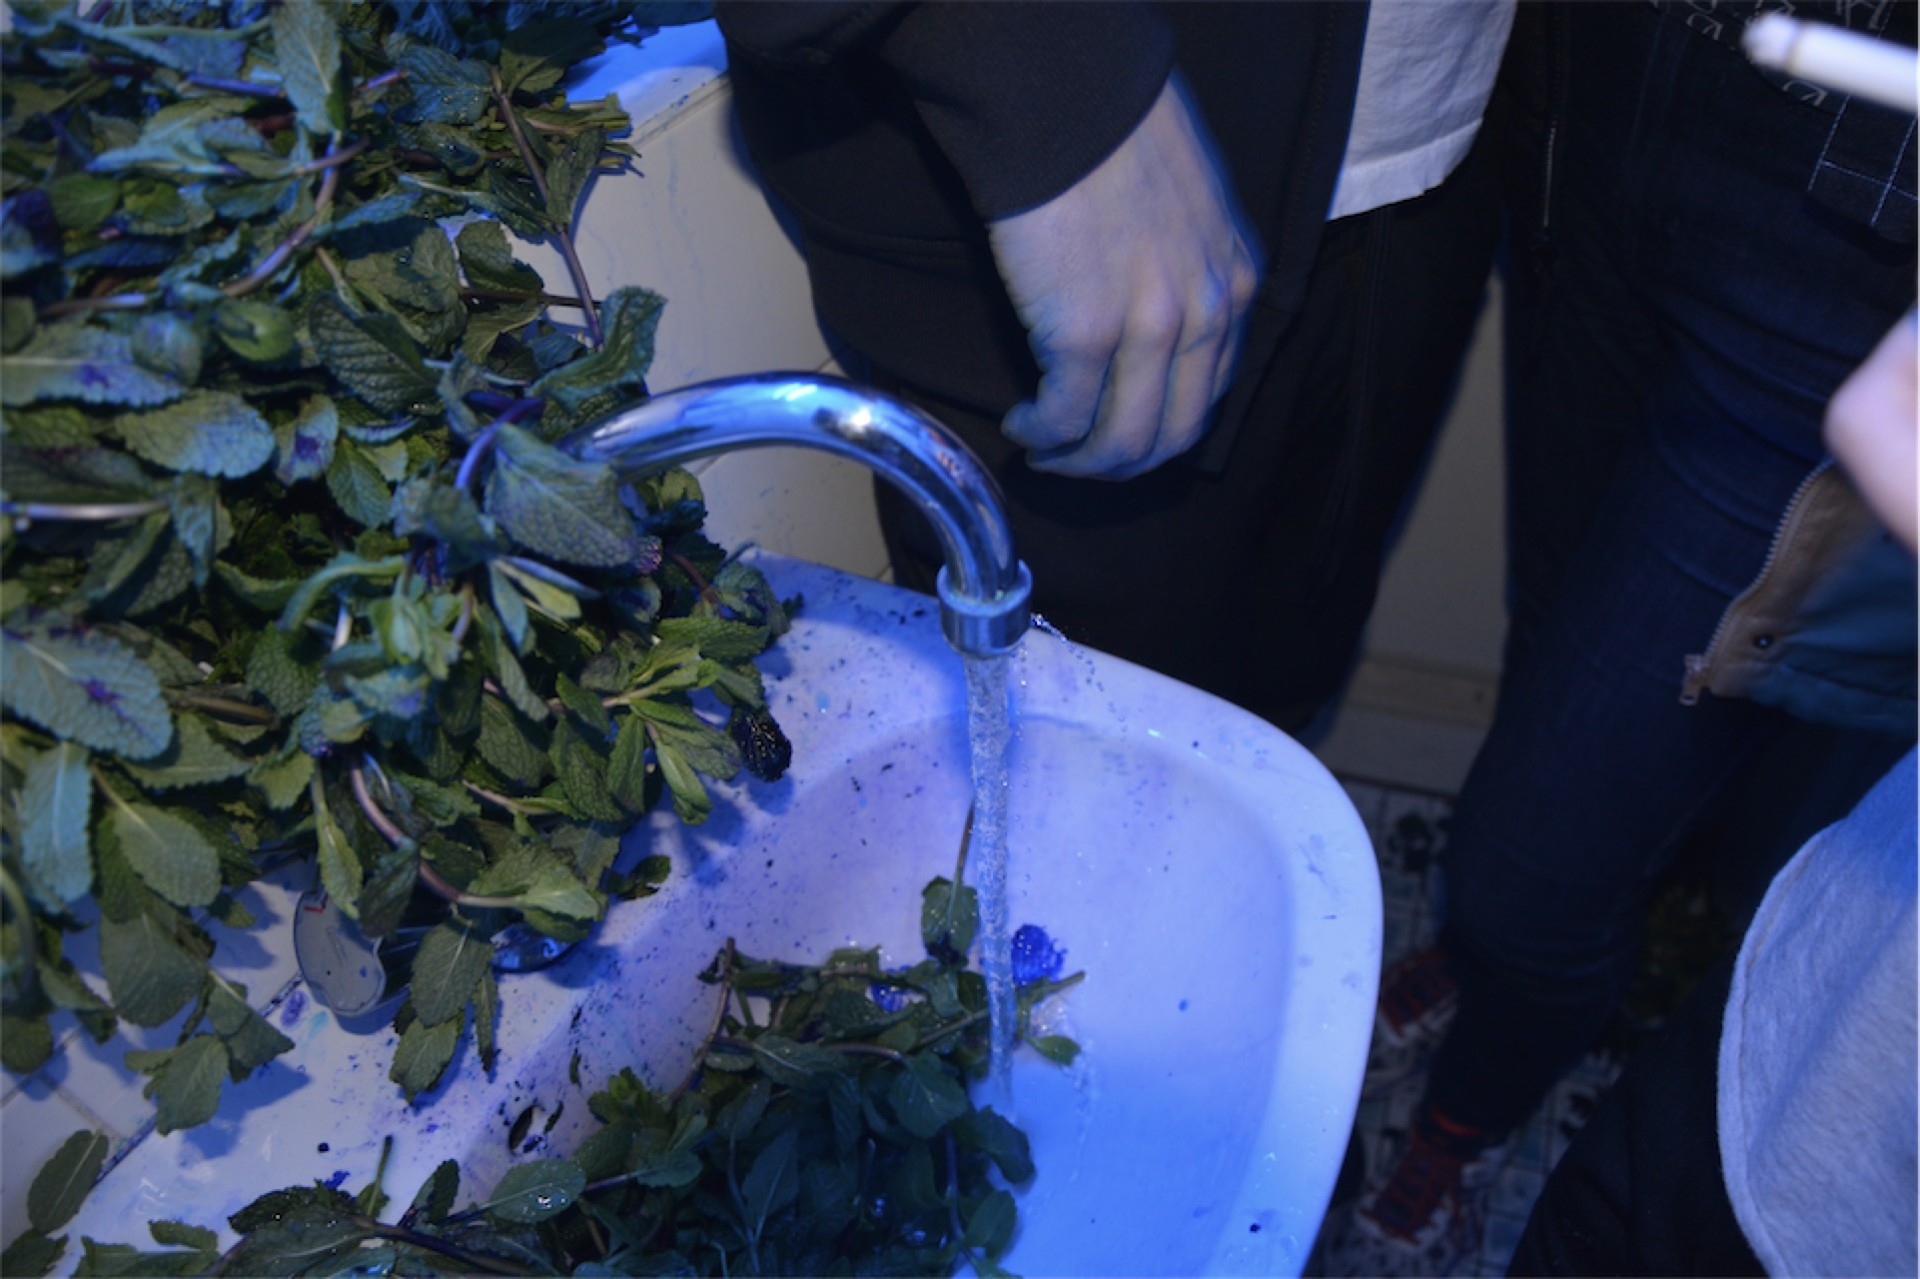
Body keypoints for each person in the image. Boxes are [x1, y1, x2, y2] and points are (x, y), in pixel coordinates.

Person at [1324, 3, 1917, 1273]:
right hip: (1607, 79)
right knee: (1554, 637)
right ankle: (1478, 964)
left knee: (1532, 868)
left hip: (1859, 210)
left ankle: (1472, 1110)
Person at [713, 0, 1516, 736]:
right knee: (1062, 765)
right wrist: (1042, 58)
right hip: (1062, 176)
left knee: (1279, 703)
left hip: (1435, 137)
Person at [1508, 310, 1917, 1277]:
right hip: (1800, 1020)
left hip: (1849, 1224)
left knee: (1530, 881)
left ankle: (1468, 1104)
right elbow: (1887, 414)